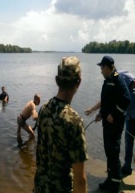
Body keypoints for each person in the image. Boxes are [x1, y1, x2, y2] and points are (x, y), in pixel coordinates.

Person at [33, 56, 88, 193]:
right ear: (78, 82)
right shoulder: (74, 121)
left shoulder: (44, 109)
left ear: (57, 80)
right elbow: (80, 179)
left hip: (39, 187)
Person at [85, 70, 135, 176]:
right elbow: (106, 101)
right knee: (128, 142)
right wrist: (93, 110)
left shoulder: (122, 75)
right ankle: (127, 168)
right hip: (129, 114)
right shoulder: (110, 84)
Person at [90, 56, 131, 193]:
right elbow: (107, 101)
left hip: (115, 124)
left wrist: (113, 115)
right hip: (107, 124)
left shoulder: (118, 79)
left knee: (113, 151)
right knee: (108, 151)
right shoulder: (108, 80)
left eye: (101, 68)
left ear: (107, 67)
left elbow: (126, 100)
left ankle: (115, 183)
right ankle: (110, 179)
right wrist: (101, 114)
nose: (100, 70)